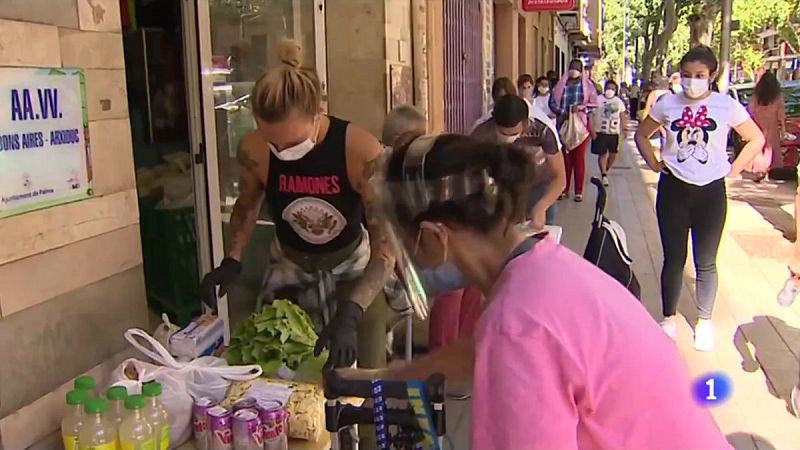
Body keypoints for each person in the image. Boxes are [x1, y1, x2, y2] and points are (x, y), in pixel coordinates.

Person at [341, 133, 732, 450]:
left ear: (432, 236)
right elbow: (472, 356)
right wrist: (376, 379)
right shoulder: (540, 267)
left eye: (401, 239)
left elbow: (509, 345)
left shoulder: (517, 323)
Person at [200, 39, 395, 370]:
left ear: (319, 111)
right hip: (288, 267)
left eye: (290, 142)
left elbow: (386, 246)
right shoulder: (255, 149)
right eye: (271, 140)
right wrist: (232, 258)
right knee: (284, 374)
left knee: (361, 380)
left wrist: (353, 310)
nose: (280, 150)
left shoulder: (359, 151)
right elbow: (246, 206)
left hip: (353, 268)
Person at [634, 46, 765, 351]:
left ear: (712, 76)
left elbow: (755, 137)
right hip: (673, 190)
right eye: (688, 76)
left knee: (706, 262)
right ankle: (668, 318)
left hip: (710, 193)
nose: (693, 82)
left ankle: (704, 322)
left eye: (701, 76)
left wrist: (734, 170)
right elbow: (643, 135)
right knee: (673, 258)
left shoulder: (725, 106)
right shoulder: (667, 104)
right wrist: (654, 163)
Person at [381, 105, 482, 354]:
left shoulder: (413, 167)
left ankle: (465, 348)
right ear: (399, 140)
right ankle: (443, 356)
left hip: (420, 245)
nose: (423, 145)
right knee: (456, 279)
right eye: (417, 139)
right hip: (399, 258)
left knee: (473, 273)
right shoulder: (382, 171)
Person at [472, 94, 566, 228]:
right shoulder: (481, 131)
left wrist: (541, 207)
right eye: (503, 134)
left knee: (540, 239)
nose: (509, 139)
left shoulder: (543, 129)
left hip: (539, 187)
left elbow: (559, 177)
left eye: (513, 133)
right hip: (502, 190)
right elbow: (470, 172)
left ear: (526, 123)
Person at [550, 58, 598, 202]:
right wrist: (561, 111)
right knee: (565, 159)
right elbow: (552, 103)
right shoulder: (560, 86)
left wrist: (581, 108)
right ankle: (564, 189)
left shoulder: (588, 86)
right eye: (572, 67)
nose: (574, 70)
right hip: (563, 125)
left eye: (577, 68)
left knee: (578, 159)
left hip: (580, 127)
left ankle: (578, 191)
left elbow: (594, 104)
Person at [747, 71, 786, 179]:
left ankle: (759, 169)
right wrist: (783, 128)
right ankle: (767, 170)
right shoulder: (778, 96)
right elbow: (781, 112)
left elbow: (751, 109)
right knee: (770, 148)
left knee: (758, 147)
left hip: (757, 124)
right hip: (772, 126)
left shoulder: (757, 95)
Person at [591, 80, 628, 186]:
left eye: (612, 88)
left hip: (613, 132)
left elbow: (622, 115)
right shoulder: (598, 100)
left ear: (616, 90)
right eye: (608, 88)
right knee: (602, 154)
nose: (610, 90)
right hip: (600, 131)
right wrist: (592, 130)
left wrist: (624, 129)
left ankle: (605, 169)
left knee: (613, 154)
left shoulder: (618, 101)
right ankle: (604, 174)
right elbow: (592, 115)